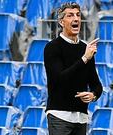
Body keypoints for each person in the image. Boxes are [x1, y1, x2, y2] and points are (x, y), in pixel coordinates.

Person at [43, 2, 103, 135]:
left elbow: (97, 85)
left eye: (78, 15)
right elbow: (60, 79)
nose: (76, 19)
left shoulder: (85, 49)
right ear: (61, 22)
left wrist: (92, 95)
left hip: (81, 118)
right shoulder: (52, 47)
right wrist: (84, 58)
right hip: (59, 116)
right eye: (70, 15)